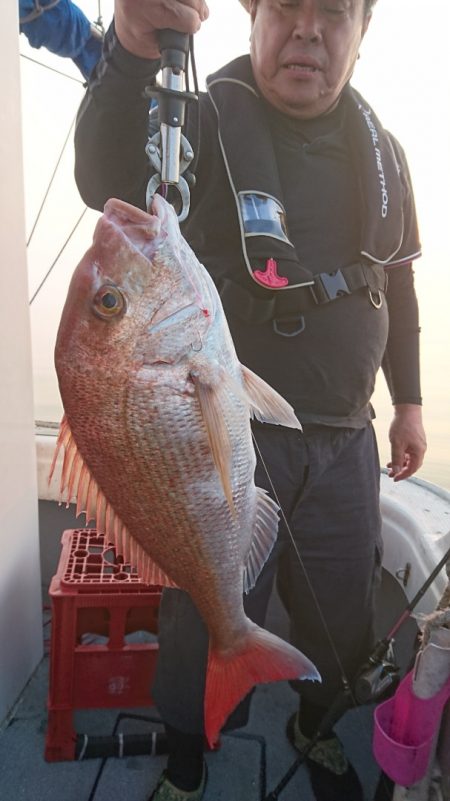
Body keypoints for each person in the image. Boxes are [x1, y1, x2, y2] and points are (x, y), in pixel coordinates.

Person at [73, 1, 427, 799]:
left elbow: (397, 286)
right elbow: (103, 177)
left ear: (361, 34)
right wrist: (130, 49)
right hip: (222, 433)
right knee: (200, 622)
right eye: (287, 8)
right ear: (254, 19)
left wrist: (408, 401)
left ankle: (313, 721)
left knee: (341, 623)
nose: (308, 30)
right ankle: (189, 760)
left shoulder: (387, 154)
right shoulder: (200, 120)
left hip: (346, 438)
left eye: (333, 12)